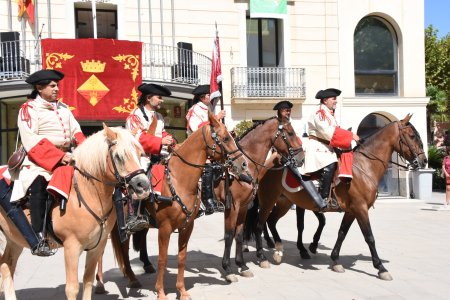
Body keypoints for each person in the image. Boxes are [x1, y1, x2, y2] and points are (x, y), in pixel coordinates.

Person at [0, 69, 86, 256]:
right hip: (38, 161)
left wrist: (85, 149)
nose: (57, 89)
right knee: (39, 185)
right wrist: (58, 156)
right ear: (39, 87)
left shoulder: (63, 108)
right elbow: (31, 140)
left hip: (67, 158)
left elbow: (76, 131)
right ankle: (39, 237)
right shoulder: (28, 109)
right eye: (52, 86)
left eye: (57, 86)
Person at [123, 83, 174, 237]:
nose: (161, 100)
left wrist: (169, 139)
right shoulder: (134, 116)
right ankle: (133, 216)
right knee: (139, 178)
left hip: (159, 155)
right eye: (159, 97)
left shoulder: (158, 117)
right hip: (140, 156)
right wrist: (160, 142)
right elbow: (137, 137)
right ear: (148, 98)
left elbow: (162, 133)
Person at [301, 88, 360, 211]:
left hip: (327, 145)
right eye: (333, 99)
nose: (336, 101)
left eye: (336, 99)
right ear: (325, 100)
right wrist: (350, 136)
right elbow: (328, 132)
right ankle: (322, 199)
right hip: (317, 145)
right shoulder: (320, 112)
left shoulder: (328, 112)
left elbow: (335, 131)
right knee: (330, 163)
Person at [186, 84, 226, 215]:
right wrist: (216, 119)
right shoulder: (195, 109)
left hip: (209, 146)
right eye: (209, 95)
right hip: (196, 146)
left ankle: (217, 197)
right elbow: (196, 127)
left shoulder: (207, 109)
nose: (211, 97)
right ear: (202, 97)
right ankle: (207, 200)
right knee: (207, 169)